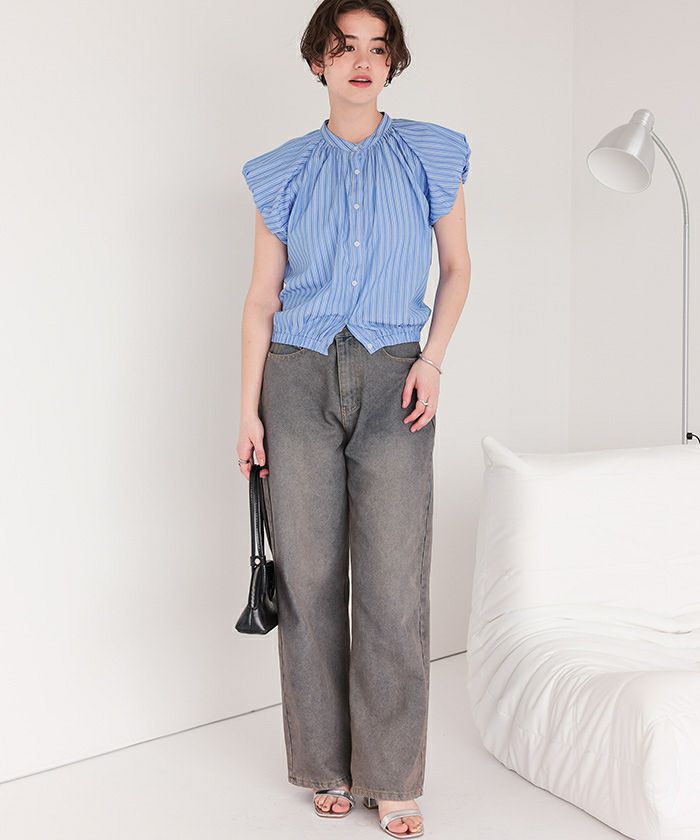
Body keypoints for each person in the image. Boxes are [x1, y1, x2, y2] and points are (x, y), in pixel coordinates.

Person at [237, 0, 472, 836]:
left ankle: (393, 775)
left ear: (393, 62)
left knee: (393, 584)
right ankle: (324, 767)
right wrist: (247, 412)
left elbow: (457, 268)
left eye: (377, 48)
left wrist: (432, 361)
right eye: (344, 48)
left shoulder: (431, 153)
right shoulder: (282, 171)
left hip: (395, 378)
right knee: (307, 581)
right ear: (318, 63)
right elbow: (261, 300)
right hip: (296, 380)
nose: (362, 62)